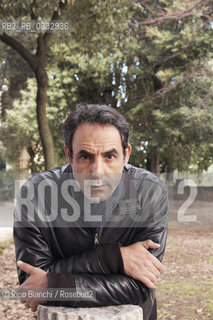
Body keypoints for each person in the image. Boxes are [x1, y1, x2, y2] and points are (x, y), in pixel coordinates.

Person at [14, 104, 168, 320]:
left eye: (110, 156)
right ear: (69, 154)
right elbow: (33, 283)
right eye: (85, 157)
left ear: (126, 155)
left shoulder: (150, 192)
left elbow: (140, 286)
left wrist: (55, 283)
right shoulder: (35, 195)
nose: (98, 172)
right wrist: (112, 258)